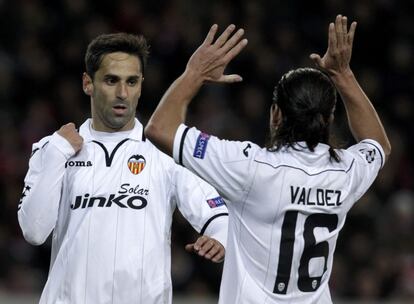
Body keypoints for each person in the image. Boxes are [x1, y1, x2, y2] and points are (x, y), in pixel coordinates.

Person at [145, 15, 391, 303]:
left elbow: (159, 128)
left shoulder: (250, 167)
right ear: (329, 119)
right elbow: (379, 144)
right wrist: (343, 76)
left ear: (275, 115)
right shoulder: (346, 172)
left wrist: (194, 73)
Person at [17, 33, 229, 304]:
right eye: (111, 80)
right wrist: (58, 152)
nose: (122, 93)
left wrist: (218, 238)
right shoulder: (53, 148)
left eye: (131, 81)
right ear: (87, 84)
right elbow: (34, 231)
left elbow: (217, 216)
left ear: (141, 85)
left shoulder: (166, 150)